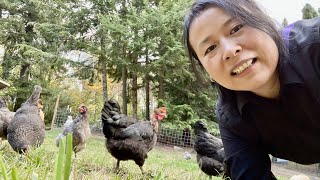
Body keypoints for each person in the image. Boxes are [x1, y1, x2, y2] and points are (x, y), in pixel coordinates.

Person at [183, 0, 320, 179]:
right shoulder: (231, 118)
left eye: (236, 28)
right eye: (210, 48)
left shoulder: (315, 48)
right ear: (208, 73)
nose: (230, 51)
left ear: (267, 25)